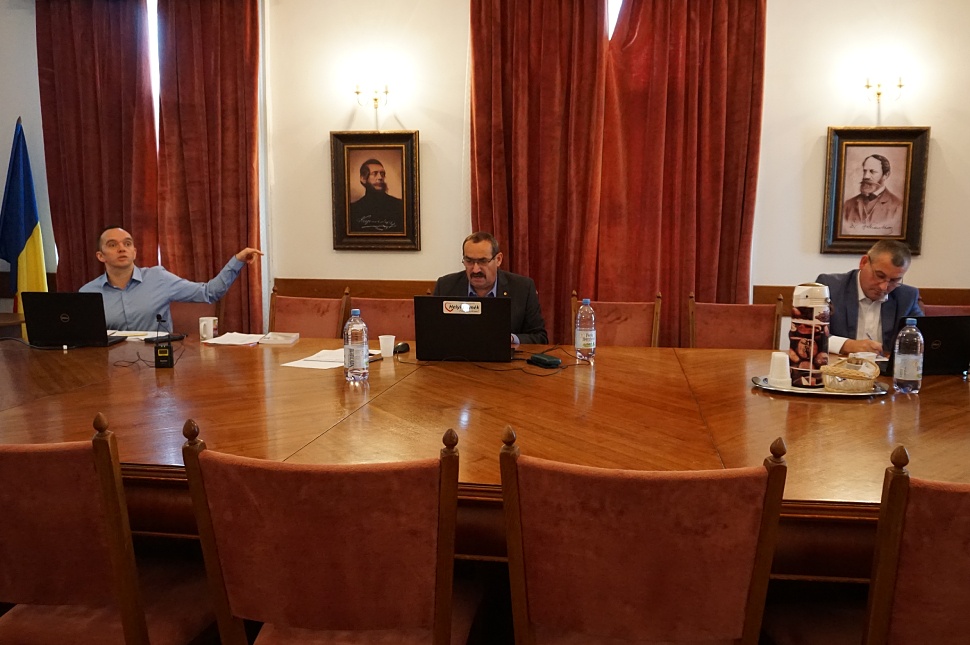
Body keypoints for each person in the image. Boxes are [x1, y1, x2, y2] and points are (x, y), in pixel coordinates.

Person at [80, 226, 262, 331]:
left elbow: (209, 292)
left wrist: (237, 261)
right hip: (111, 369)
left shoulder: (158, 278)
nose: (121, 248)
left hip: (156, 365)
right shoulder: (88, 293)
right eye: (113, 245)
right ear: (100, 256)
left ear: (134, 252)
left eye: (127, 244)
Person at [433, 231, 548, 345]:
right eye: (469, 261)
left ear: (498, 259)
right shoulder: (445, 286)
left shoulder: (523, 288)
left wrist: (511, 339)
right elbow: (432, 333)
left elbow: (540, 337)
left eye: (483, 261)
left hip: (505, 356)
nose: (475, 270)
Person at [816, 239, 922, 356]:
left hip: (884, 366)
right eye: (880, 275)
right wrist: (847, 345)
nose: (883, 287)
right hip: (839, 364)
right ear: (864, 262)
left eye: (894, 280)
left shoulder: (907, 297)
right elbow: (811, 333)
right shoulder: (829, 287)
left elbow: (922, 337)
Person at [841, 154, 904, 236]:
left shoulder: (898, 206)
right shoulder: (848, 204)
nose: (866, 176)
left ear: (886, 175)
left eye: (872, 171)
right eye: (865, 171)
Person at [348, 159, 405, 232]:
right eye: (375, 173)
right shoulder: (353, 209)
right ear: (363, 179)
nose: (380, 177)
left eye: (382, 174)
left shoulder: (399, 205)